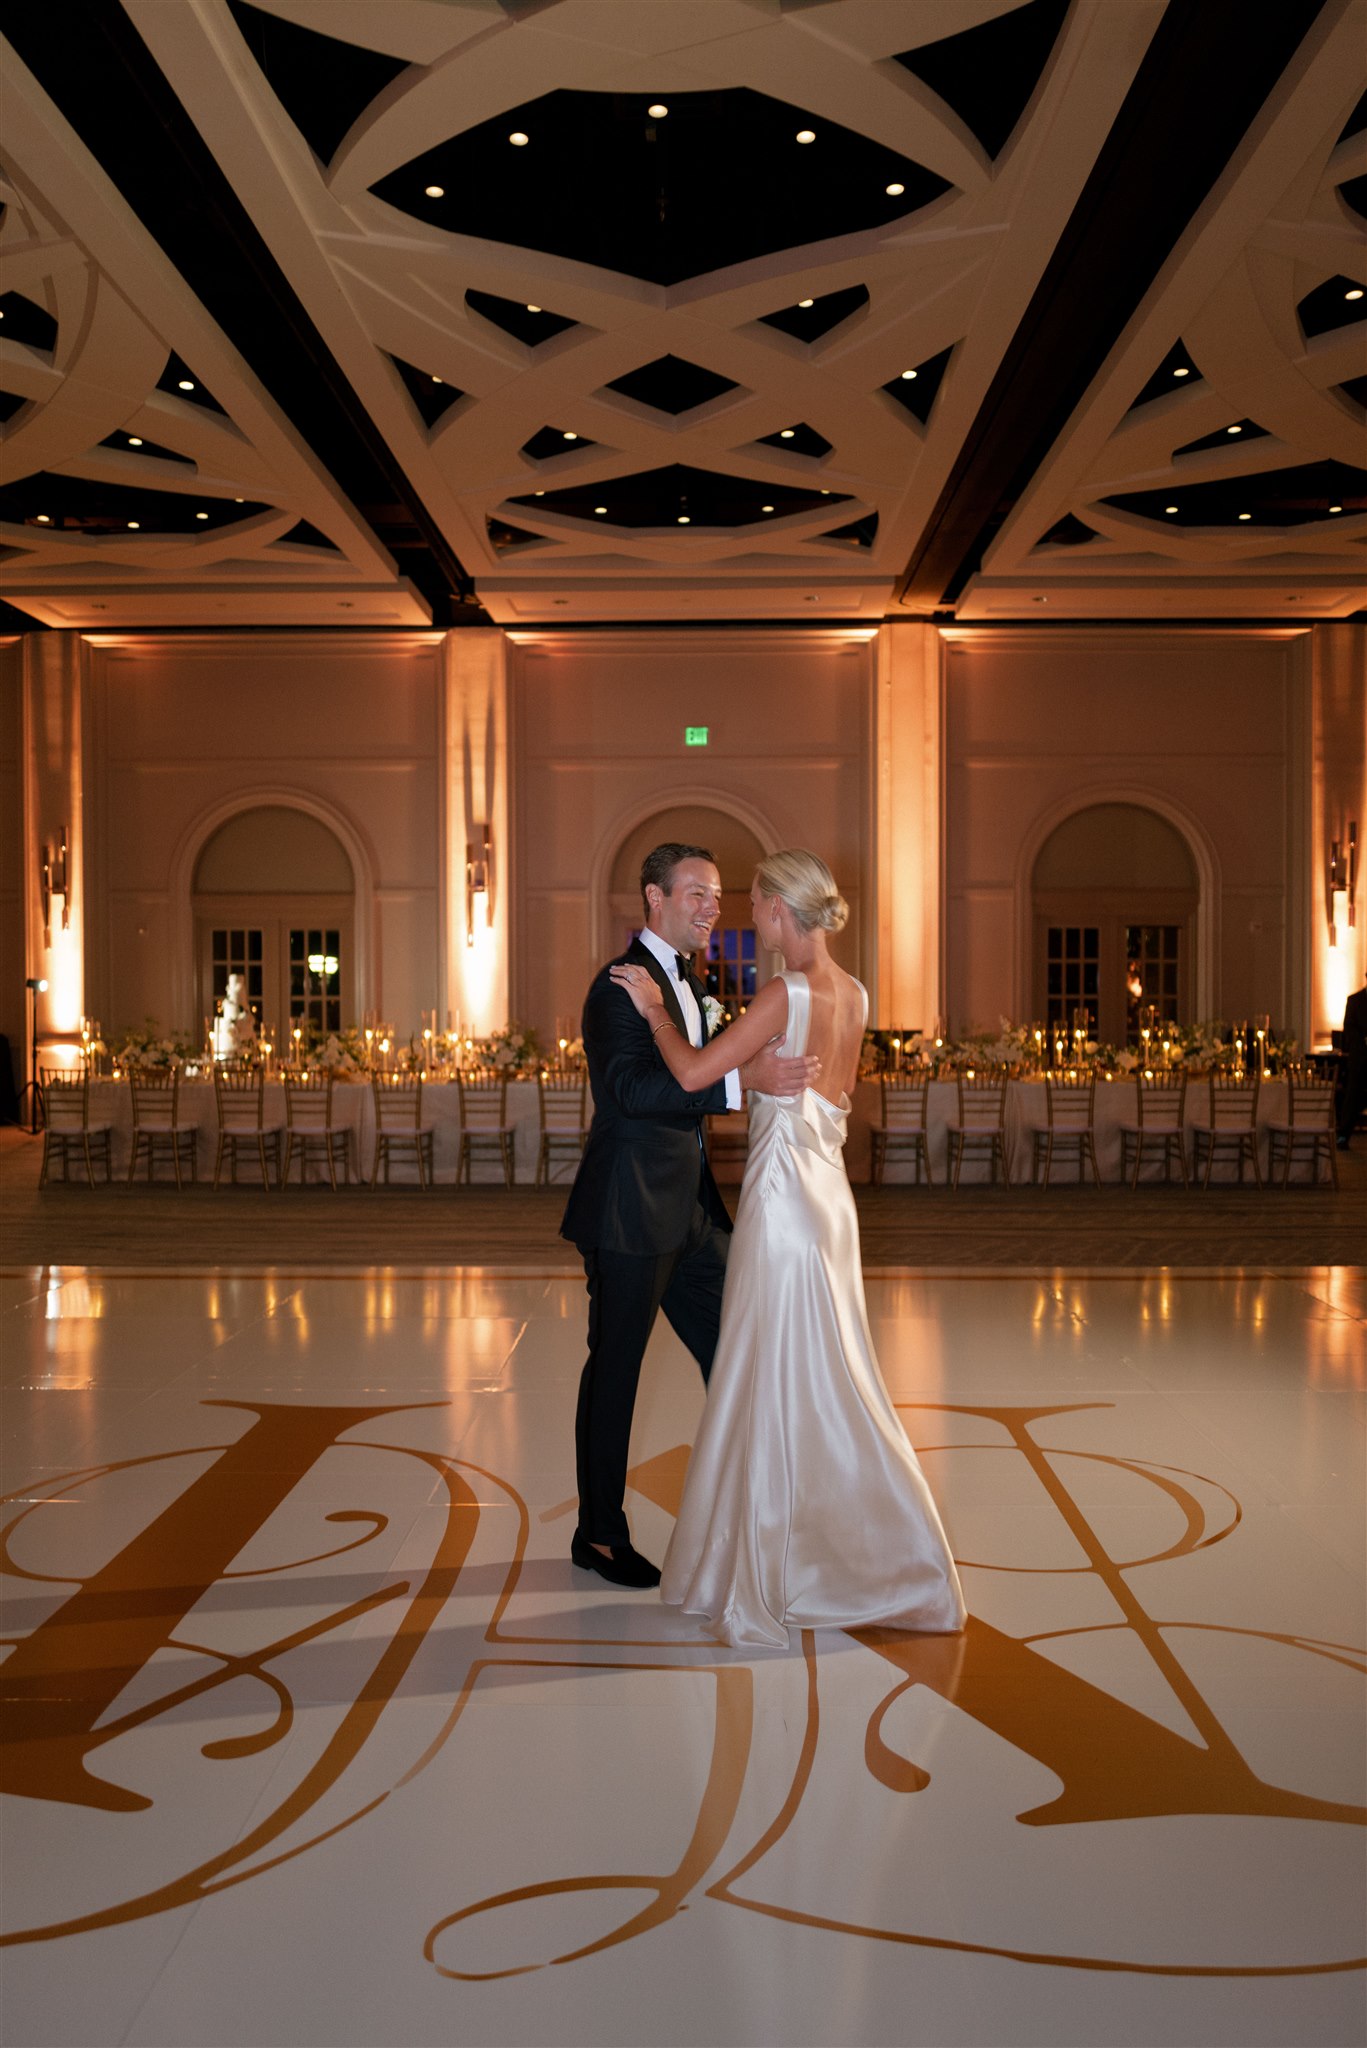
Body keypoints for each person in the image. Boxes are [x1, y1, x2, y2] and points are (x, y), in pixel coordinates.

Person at [610, 849, 965, 1651]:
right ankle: (883, 1560)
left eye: (753, 907)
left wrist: (655, 1014)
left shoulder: (785, 992)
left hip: (779, 1202)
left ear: (778, 910)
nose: (744, 920)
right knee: (832, 1379)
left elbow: (699, 1071)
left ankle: (777, 1566)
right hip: (828, 1201)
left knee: (773, 1377)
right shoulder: (857, 992)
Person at [561, 843, 819, 1589]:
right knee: (616, 1371)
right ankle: (599, 1535)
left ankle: (761, 1510)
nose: (713, 908)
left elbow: (693, 1069)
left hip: (694, 1215)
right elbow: (633, 1094)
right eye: (697, 894)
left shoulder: (690, 983)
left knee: (740, 1353)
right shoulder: (616, 990)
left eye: (716, 895)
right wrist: (741, 1085)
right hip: (630, 1213)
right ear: (654, 897)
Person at [1337, 980, 1367, 1148]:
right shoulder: (1355, 1000)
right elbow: (1349, 1028)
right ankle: (1343, 1135)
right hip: (1360, 1059)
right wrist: (1363, 1040)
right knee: (1353, 1097)